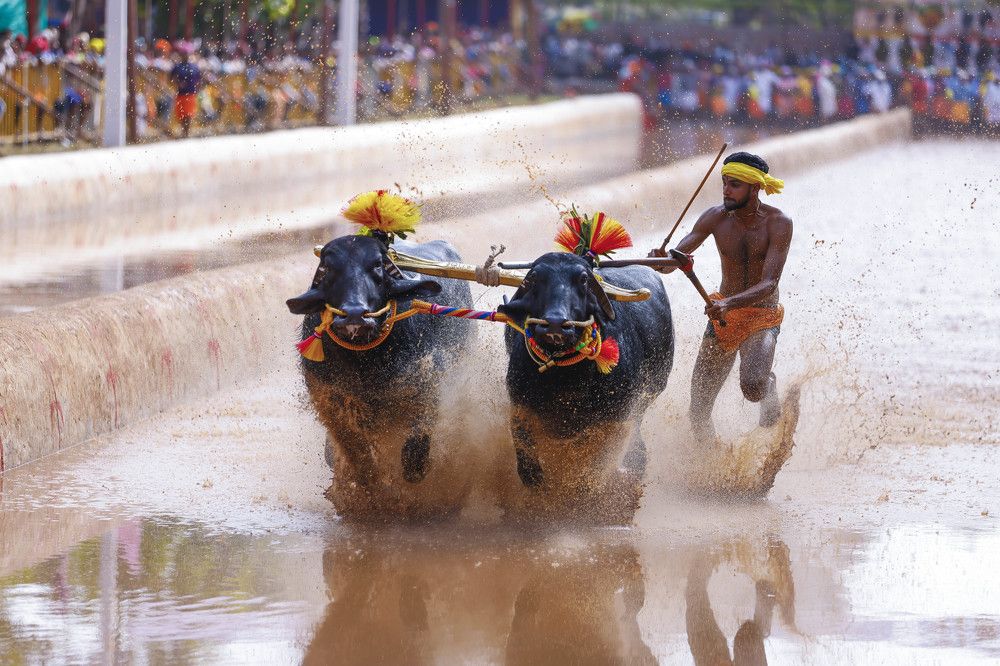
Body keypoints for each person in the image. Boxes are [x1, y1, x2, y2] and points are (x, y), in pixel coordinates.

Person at [649, 152, 793, 440]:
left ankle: (767, 385)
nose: (726, 190)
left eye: (735, 184)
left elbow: (769, 282)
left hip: (760, 315)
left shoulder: (778, 223)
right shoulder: (715, 217)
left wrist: (728, 303)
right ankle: (710, 467)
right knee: (699, 407)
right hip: (722, 315)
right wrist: (660, 261)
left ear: (755, 188)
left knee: (753, 387)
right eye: (725, 183)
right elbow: (679, 257)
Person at [169, 42, 201, 138]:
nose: (185, 55)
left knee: (189, 114)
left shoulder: (194, 67)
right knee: (181, 115)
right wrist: (177, 83)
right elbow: (171, 78)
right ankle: (184, 132)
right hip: (181, 94)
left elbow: (199, 79)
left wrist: (198, 89)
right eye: (183, 53)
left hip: (191, 94)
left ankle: (186, 132)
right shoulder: (177, 67)